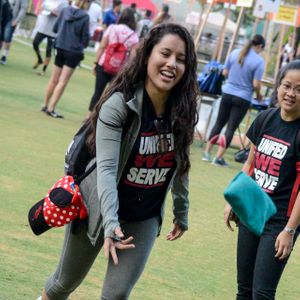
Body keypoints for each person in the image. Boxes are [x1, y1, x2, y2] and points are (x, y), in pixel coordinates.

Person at [37, 22, 199, 300]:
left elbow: (181, 163)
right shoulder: (118, 105)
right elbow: (108, 170)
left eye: (181, 59)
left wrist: (181, 211)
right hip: (98, 206)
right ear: (148, 55)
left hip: (143, 215)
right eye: (165, 54)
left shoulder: (182, 109)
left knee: (116, 294)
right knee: (63, 283)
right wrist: (110, 223)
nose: (172, 64)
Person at [224, 60, 300, 299]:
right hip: (253, 211)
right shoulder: (265, 119)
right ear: (277, 86)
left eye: (299, 89)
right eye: (287, 86)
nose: (291, 93)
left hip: (280, 221)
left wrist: (290, 230)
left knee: (262, 294)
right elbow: (251, 164)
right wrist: (235, 202)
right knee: (243, 289)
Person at [202, 35, 265, 167]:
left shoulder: (235, 52)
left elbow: (225, 72)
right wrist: (259, 96)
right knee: (231, 128)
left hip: (227, 92)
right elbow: (256, 84)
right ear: (259, 46)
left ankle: (207, 153)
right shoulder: (259, 61)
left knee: (219, 123)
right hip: (243, 97)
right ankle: (218, 158)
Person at [41, 0, 90, 118]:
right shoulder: (85, 17)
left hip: (60, 46)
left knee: (53, 79)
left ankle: (45, 105)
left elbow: (56, 28)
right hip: (73, 51)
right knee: (62, 81)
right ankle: (51, 108)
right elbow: (85, 38)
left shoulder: (64, 10)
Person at [87, 7, 138, 117]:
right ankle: (101, 118)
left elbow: (102, 46)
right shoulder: (133, 36)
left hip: (103, 63)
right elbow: (133, 58)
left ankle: (88, 117)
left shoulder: (112, 28)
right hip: (119, 69)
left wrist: (95, 63)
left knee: (98, 92)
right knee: (111, 95)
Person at [32, 0, 68, 76]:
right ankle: (39, 59)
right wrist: (41, 10)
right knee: (35, 43)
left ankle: (43, 70)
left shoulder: (64, 2)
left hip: (54, 29)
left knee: (49, 50)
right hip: (44, 26)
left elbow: (65, 15)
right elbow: (42, 7)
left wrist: (57, 14)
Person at [0, 0, 28, 65]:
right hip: (2, 15)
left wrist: (17, 20)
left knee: (7, 37)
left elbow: (23, 9)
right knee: (1, 36)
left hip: (12, 18)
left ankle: (4, 55)